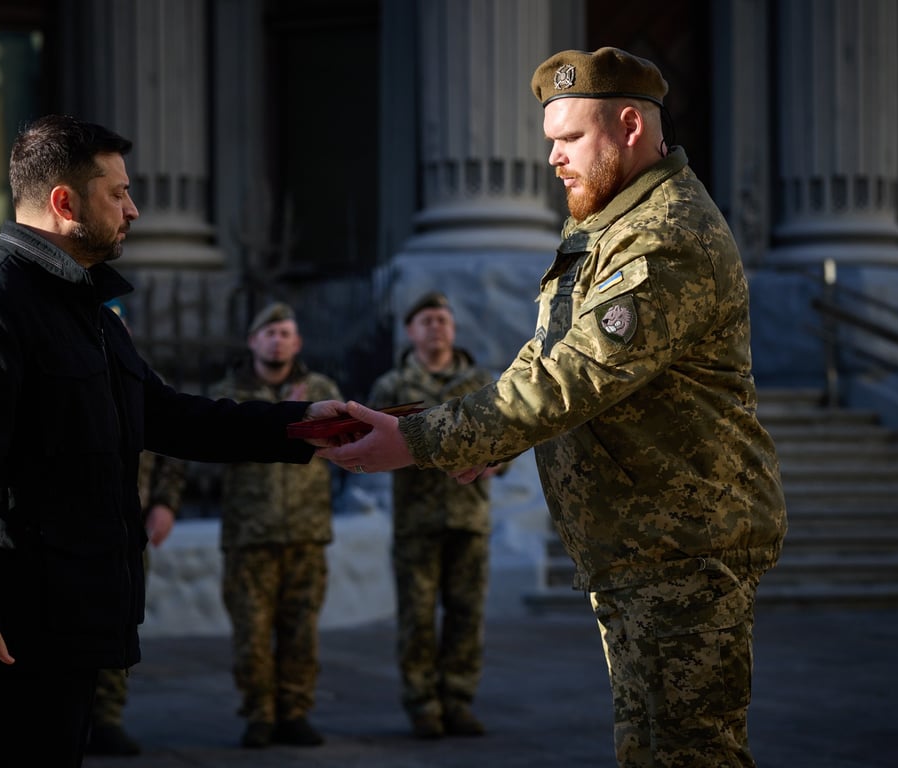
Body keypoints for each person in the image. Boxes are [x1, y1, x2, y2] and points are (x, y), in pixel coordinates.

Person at [315, 47, 787, 768]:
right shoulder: (605, 225)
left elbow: (573, 377)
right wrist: (486, 442)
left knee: (692, 754)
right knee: (647, 750)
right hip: (636, 542)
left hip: (681, 546)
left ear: (628, 125)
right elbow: (549, 355)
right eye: (549, 143)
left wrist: (424, 442)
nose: (553, 160)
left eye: (568, 139)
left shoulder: (667, 237)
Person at [0, 114, 341, 768]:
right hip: (16, 625)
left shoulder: (90, 313)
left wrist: (309, 423)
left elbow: (170, 417)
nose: (134, 209)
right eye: (117, 193)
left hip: (82, 611)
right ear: (64, 202)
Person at [366, 291, 508, 740]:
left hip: (468, 519)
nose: (436, 327)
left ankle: (459, 700)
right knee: (418, 617)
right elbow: (369, 444)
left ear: (453, 328)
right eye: (426, 320)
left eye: (442, 319)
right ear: (411, 331)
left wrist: (495, 460)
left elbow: (506, 437)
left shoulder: (480, 381)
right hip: (417, 523)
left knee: (467, 614)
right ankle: (423, 704)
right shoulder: (392, 387)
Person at [210, 301, 342, 749]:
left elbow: (344, 447)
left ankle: (295, 712)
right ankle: (259, 714)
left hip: (306, 531)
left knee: (301, 630)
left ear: (298, 342)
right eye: (269, 333)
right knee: (251, 631)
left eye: (286, 333)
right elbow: (203, 463)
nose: (278, 340)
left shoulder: (320, 390)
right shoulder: (226, 393)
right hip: (249, 535)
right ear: (253, 341)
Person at [87, 449, 185, 756]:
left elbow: (172, 438)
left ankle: (106, 720)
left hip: (128, 522)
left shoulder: (135, 397)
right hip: (59, 521)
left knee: (118, 620)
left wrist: (165, 501)